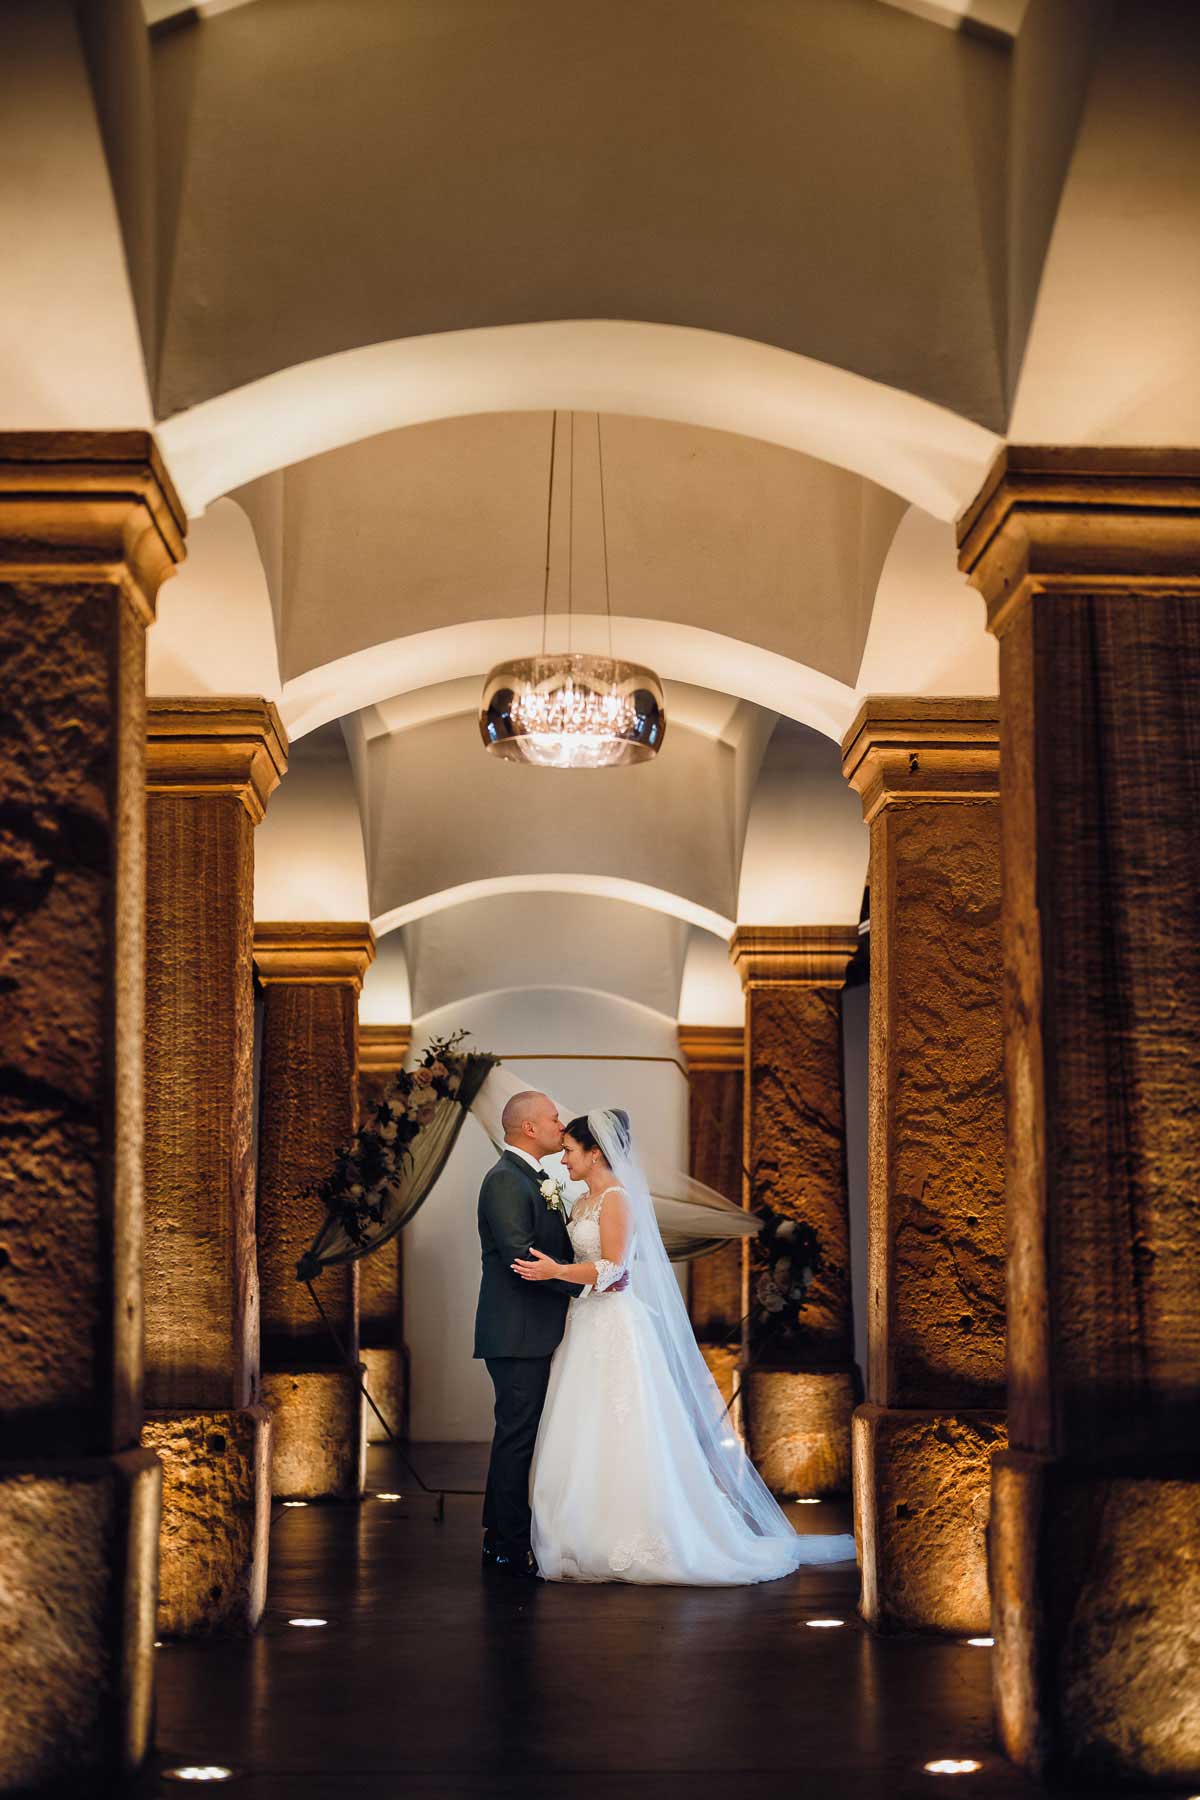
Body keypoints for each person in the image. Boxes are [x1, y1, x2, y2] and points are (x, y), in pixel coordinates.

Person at [512, 1109, 856, 1584]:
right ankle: (575, 1532)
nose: (564, 1158)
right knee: (579, 1424)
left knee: (624, 1426)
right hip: (581, 1326)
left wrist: (558, 1272)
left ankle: (637, 1534)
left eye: (570, 1150)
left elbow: (614, 1271)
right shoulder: (579, 1202)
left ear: (596, 1153)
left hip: (613, 1324)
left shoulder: (617, 1199)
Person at [472, 1090, 627, 1580]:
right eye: (554, 1119)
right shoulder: (504, 1181)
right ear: (530, 1129)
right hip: (518, 1332)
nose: (562, 1127)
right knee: (517, 1437)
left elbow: (569, 1255)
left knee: (523, 1436)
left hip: (541, 1329)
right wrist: (594, 1281)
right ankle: (506, 1545)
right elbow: (522, 1258)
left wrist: (596, 1275)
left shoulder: (543, 1181)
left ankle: (507, 1535)